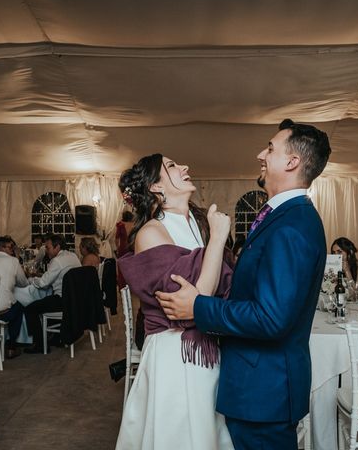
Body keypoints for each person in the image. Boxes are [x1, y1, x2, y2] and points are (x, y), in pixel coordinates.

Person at [157, 119, 331, 449]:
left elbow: (271, 318)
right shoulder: (283, 217)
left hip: (264, 390)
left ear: (292, 162)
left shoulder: (292, 225)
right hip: (258, 385)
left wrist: (198, 306)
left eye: (270, 148)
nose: (260, 155)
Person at [115, 153, 233, 450]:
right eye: (171, 166)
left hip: (208, 348)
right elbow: (198, 300)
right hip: (176, 356)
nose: (185, 167)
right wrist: (218, 240)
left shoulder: (200, 223)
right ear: (156, 186)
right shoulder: (151, 232)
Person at [22, 234, 81, 354]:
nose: (46, 250)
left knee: (30, 309)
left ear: (57, 247)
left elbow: (44, 283)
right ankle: (55, 337)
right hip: (77, 299)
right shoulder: (73, 256)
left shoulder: (57, 261)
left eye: (48, 248)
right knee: (48, 300)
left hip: (63, 300)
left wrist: (30, 280)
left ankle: (39, 344)